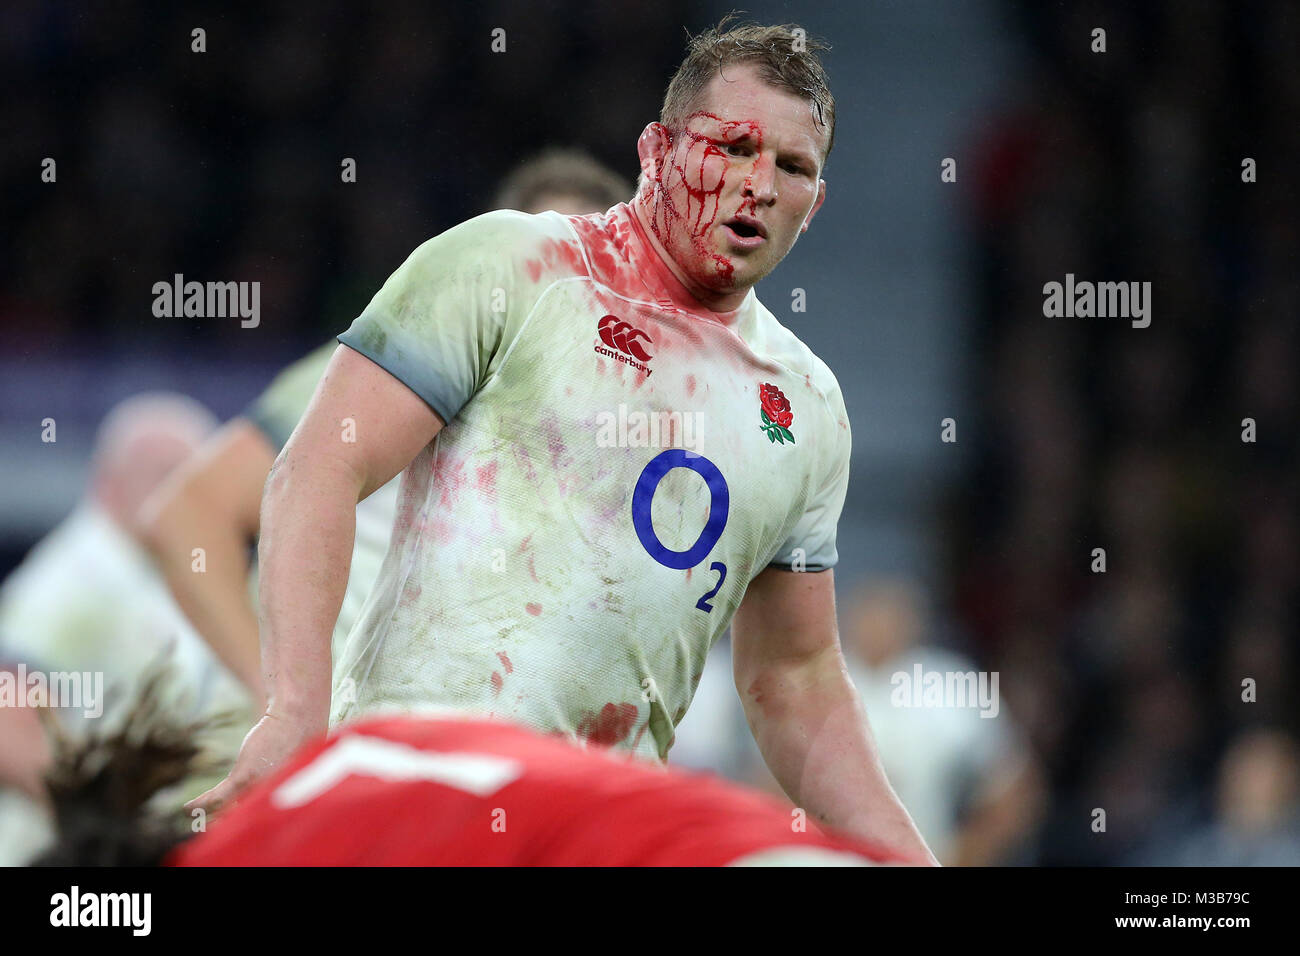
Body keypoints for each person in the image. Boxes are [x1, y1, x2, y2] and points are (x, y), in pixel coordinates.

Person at [196, 20, 935, 864]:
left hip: (593, 837)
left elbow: (793, 677)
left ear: (817, 202)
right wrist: (292, 711)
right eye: (733, 146)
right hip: (423, 793)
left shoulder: (806, 407)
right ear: (656, 149)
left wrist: (910, 859)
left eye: (792, 167)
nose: (759, 184)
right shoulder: (510, 265)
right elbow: (320, 467)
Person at [139, 149, 632, 701]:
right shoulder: (398, 362)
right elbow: (187, 516)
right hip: (312, 754)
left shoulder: (613, 433)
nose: (565, 285)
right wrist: (284, 704)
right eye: (545, 258)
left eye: (589, 263)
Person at [0, 394, 250, 864]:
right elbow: (7, 716)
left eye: (196, 479)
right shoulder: (76, 579)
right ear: (109, 482)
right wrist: (97, 824)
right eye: (166, 475)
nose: (185, 496)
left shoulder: (147, 572)